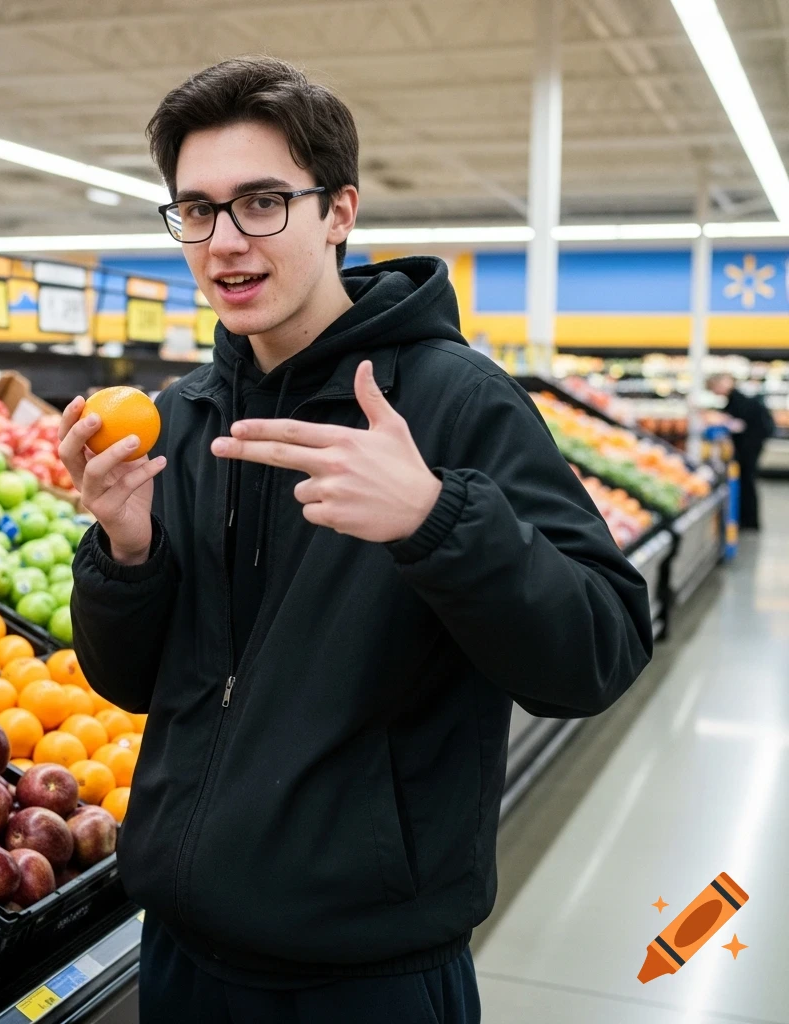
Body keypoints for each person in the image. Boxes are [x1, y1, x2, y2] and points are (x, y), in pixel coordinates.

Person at [61, 57, 652, 1024]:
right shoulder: (184, 418)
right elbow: (134, 685)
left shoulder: (455, 403)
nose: (225, 242)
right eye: (196, 210)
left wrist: (436, 521)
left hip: (364, 977)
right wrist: (128, 553)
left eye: (261, 202)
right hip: (177, 953)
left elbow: (600, 651)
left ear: (339, 211)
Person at [707, 373, 775, 530]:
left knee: (747, 479)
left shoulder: (738, 399)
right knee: (746, 479)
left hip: (749, 445)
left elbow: (739, 423)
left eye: (714, 388)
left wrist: (725, 421)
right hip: (750, 444)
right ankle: (747, 519)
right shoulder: (736, 398)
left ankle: (749, 521)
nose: (715, 392)